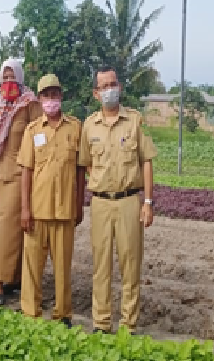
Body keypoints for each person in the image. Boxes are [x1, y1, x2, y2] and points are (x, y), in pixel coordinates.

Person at [78, 66, 157, 335]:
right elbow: (86, 163)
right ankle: (101, 323)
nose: (109, 89)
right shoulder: (89, 125)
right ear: (96, 93)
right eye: (104, 86)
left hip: (128, 202)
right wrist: (101, 182)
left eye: (113, 84)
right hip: (100, 203)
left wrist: (148, 202)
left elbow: (146, 161)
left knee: (130, 265)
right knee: (100, 266)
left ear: (119, 87)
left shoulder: (134, 121)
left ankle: (128, 324)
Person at [17, 74, 84, 328]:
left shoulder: (75, 128)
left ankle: (63, 315)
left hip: (65, 210)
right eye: (46, 95)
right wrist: (24, 209)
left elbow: (80, 170)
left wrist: (79, 206)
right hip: (37, 210)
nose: (51, 99)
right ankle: (30, 314)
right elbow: (26, 171)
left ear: (61, 97)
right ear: (39, 98)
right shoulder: (32, 130)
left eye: (55, 94)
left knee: (63, 268)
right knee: (32, 266)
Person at [0, 59, 42, 305]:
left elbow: (39, 136)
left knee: (6, 228)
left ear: (20, 77)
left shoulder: (30, 104)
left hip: (19, 173)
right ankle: (7, 278)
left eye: (11, 77)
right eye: (4, 78)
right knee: (6, 227)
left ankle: (0, 280)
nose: (8, 82)